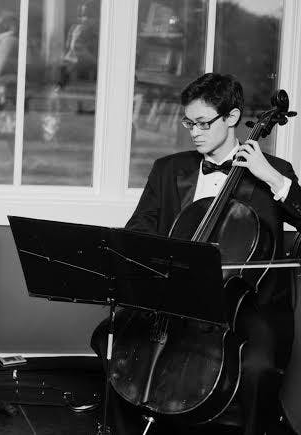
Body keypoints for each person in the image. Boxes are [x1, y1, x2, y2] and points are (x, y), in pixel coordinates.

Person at [91, 73, 301, 435]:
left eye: (204, 123)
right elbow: (139, 228)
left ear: (232, 117)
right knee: (111, 340)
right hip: (177, 299)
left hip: (247, 307)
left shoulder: (276, 172)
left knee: (258, 367)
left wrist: (274, 180)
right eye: (189, 122)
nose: (195, 132)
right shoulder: (169, 169)